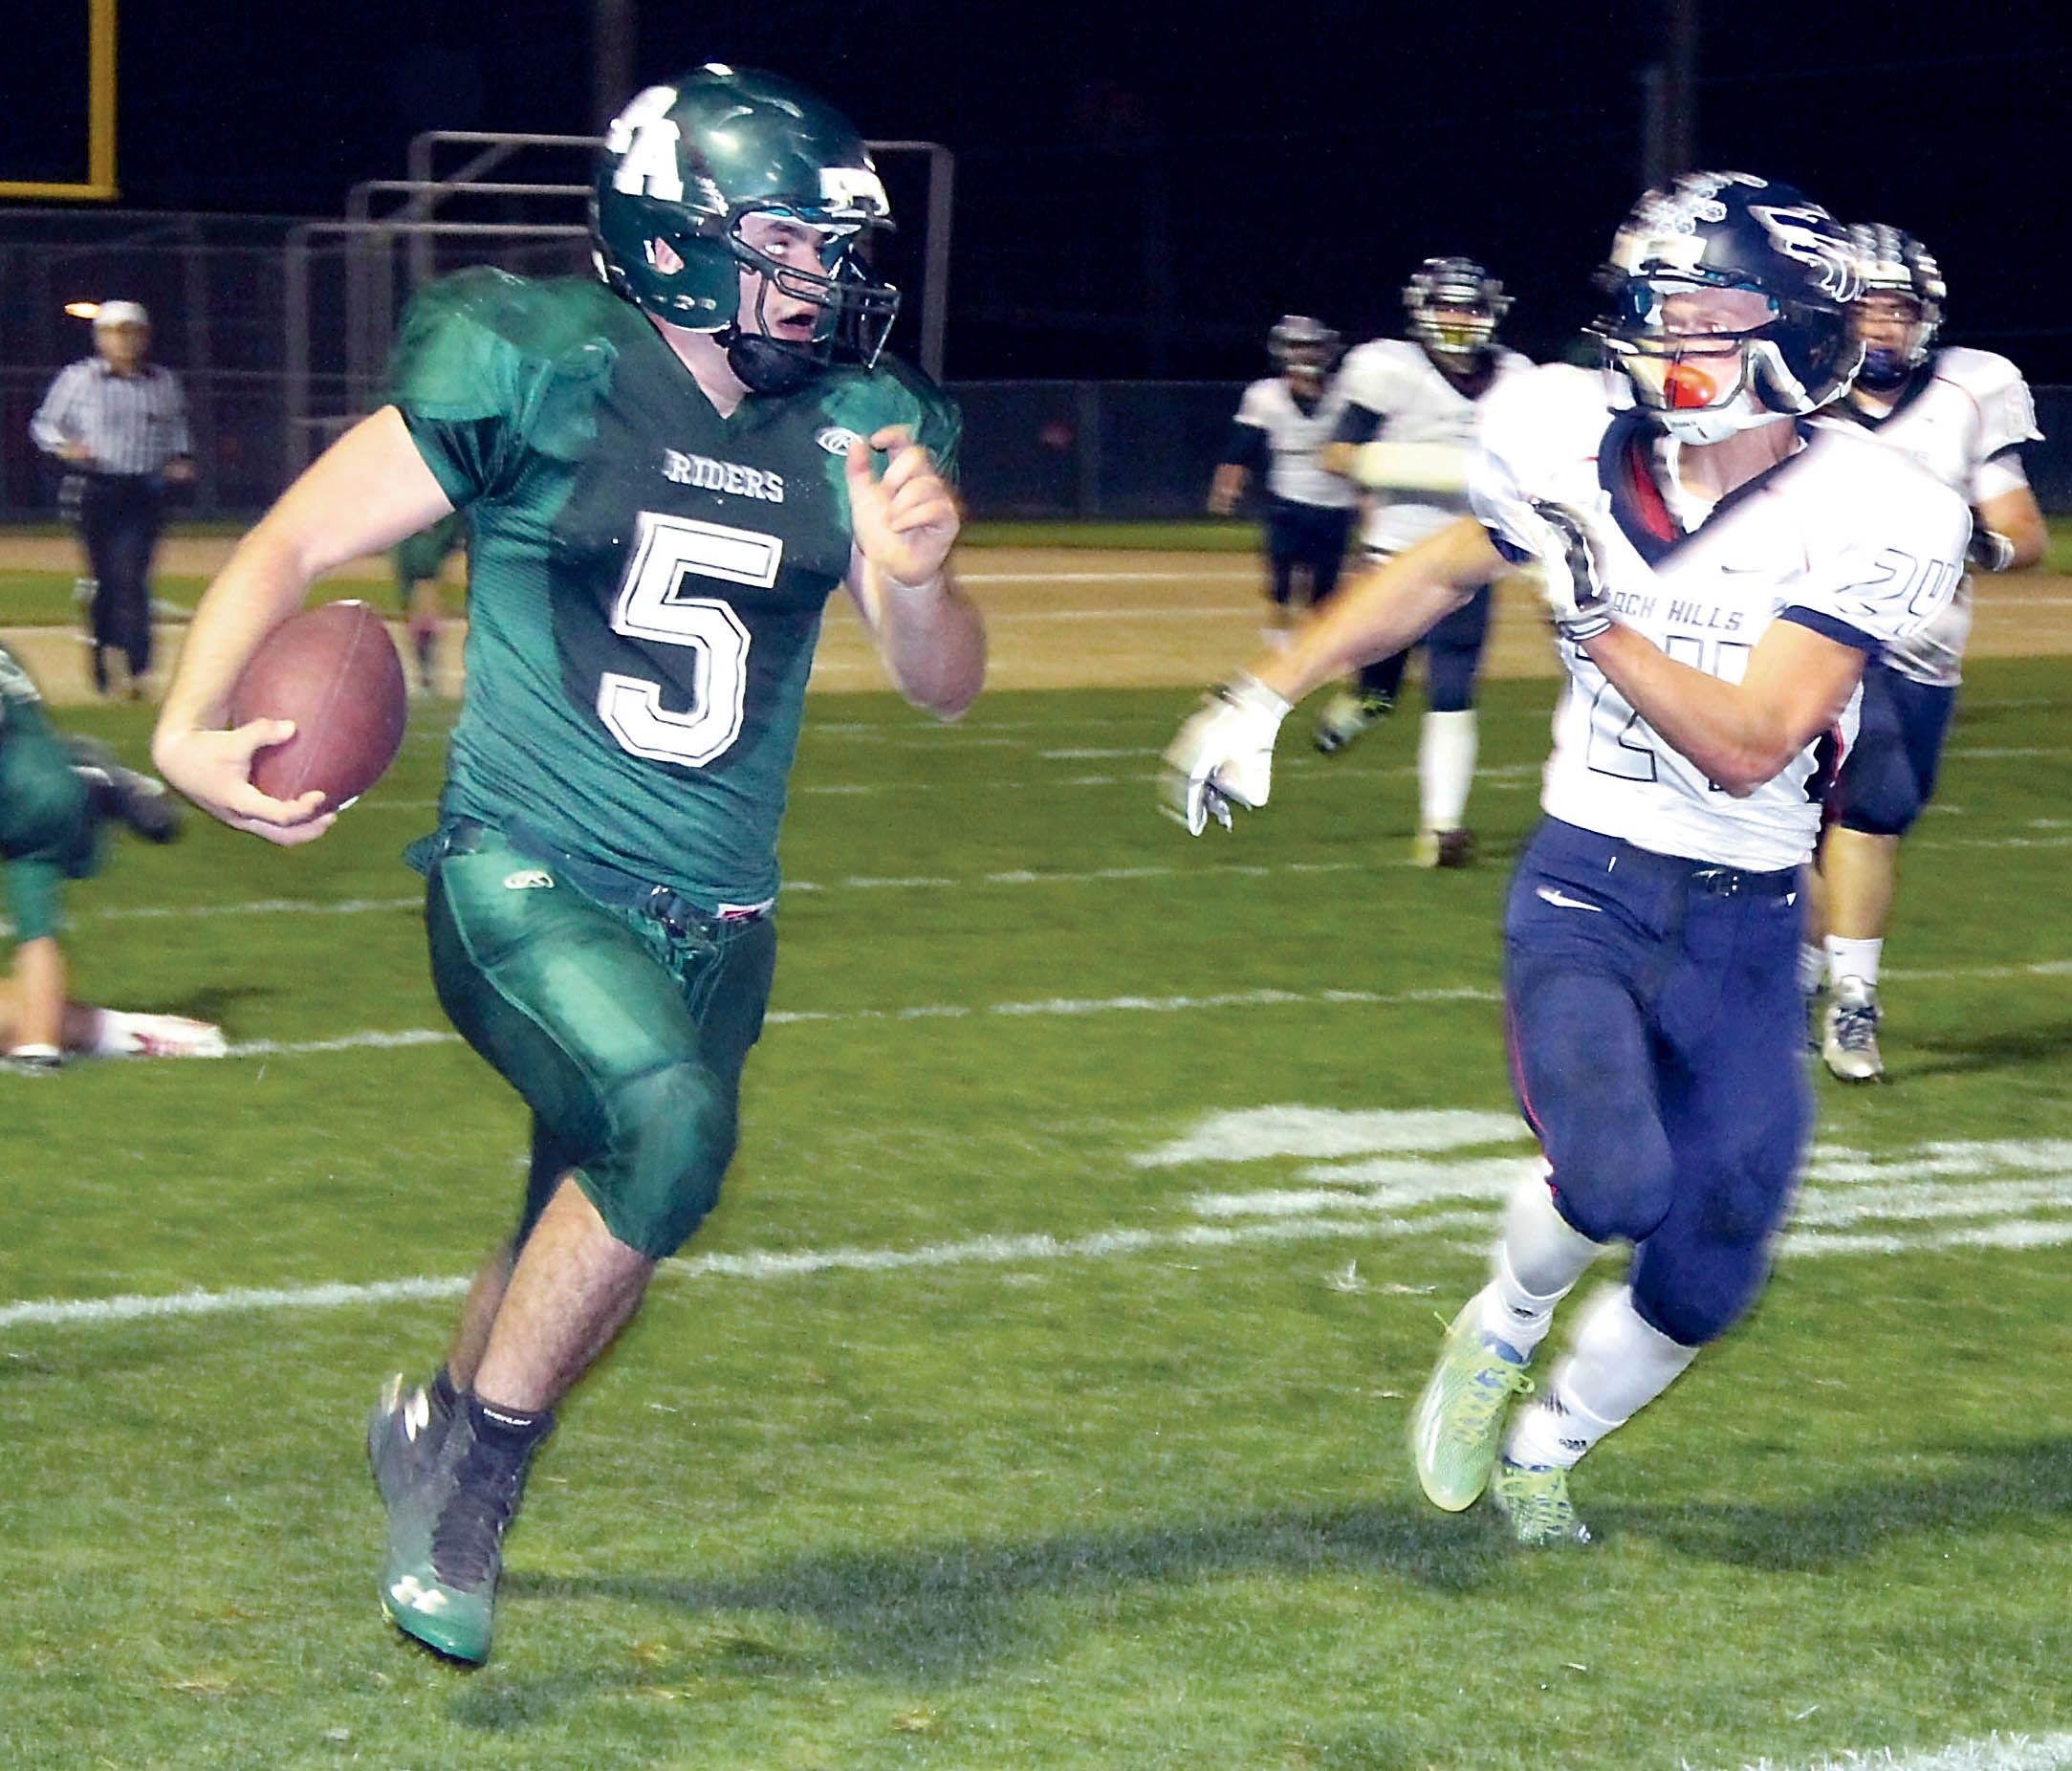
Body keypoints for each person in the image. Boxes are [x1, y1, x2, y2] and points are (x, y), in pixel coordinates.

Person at [150, 64, 985, 1663]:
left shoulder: (856, 425)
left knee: (588, 1224)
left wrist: (923, 584)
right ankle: (471, 1497)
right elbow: (297, 538)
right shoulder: (541, 367)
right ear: (676, 241)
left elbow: (942, 686)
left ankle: (435, 1422)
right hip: (525, 875)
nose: (824, 278)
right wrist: (188, 725)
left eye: (831, 248)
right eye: (789, 244)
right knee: (667, 1128)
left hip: (719, 921)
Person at [1160, 172, 1969, 1544]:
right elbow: (1442, 564)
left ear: (1792, 328)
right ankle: (1502, 1324)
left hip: (1744, 917)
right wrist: (1265, 691)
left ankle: (1549, 1444)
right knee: (1611, 1182)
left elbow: (1750, 742)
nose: (1662, 338)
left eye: (1701, 313)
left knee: (1711, 1261)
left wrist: (1596, 622)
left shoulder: (1878, 506)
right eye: (1653, 308)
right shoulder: (1564, 430)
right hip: (1587, 883)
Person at [1803, 225, 2047, 1082]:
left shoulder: (1969, 390)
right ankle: (1848, 1001)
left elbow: (2023, 533)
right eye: (1863, 310)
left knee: (1865, 825)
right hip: (1814, 634)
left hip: (1923, 649)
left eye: (1896, 310)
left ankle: (1813, 977)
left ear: (1925, 318)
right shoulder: (1789, 388)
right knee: (1849, 808)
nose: (1879, 327)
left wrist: (1972, 541)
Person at [1308, 258, 1534, 868]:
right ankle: (1362, 706)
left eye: (1470, 307)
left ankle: (1441, 829)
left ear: (1492, 313)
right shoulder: (1389, 366)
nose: (1458, 319)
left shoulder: (1518, 376)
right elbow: (1335, 454)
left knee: (1454, 687)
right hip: (1395, 557)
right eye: (1447, 306)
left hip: (1470, 553)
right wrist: (1446, 470)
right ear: (1421, 310)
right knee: (1378, 689)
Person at [0, 641, 225, 1070]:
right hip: (39, 777)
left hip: (26, 793)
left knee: (36, 926)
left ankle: (63, 1039)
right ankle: (114, 1031)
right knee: (37, 930)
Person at [30, 302, 196, 699]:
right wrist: (65, 447)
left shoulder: (162, 383)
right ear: (101, 338)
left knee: (132, 576)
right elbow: (45, 424)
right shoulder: (79, 379)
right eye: (116, 333)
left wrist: (178, 458)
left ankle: (137, 668)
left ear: (145, 336)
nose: (125, 341)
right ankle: (104, 659)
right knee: (103, 579)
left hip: (144, 490)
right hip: (96, 489)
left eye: (132, 332)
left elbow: (175, 429)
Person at [1207, 316, 1356, 647]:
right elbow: (1242, 447)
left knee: (1326, 582)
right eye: (1298, 345)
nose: (1306, 353)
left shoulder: (1346, 392)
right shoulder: (1265, 394)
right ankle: (1280, 634)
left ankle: (1317, 643)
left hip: (1337, 497)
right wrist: (1227, 486)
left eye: (1313, 346)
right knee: (1282, 574)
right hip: (1287, 495)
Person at [390, 511, 468, 693]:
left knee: (430, 629)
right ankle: (425, 670)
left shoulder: (435, 534)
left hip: (430, 584)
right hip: (419, 585)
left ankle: (427, 670)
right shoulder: (411, 542)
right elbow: (403, 567)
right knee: (422, 630)